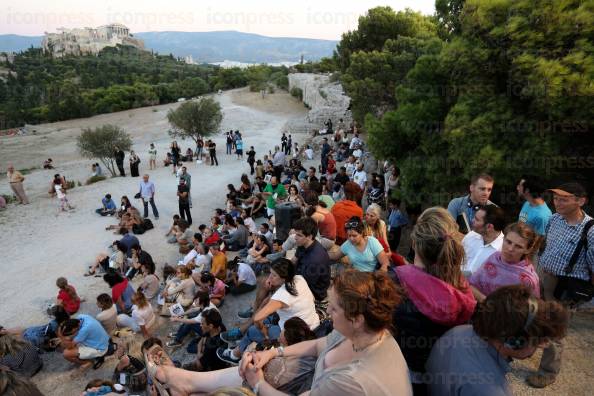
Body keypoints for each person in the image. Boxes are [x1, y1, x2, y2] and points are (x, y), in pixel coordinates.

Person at [425, 285, 569, 396]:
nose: (543, 345)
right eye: (539, 340)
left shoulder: (458, 332)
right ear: (514, 342)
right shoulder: (490, 390)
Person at [392, 207, 477, 394]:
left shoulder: (395, 283)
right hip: (443, 373)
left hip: (403, 373)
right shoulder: (462, 286)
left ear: (415, 243)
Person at [528, 182, 594, 388]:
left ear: (580, 201)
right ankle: (518, 350)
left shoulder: (591, 230)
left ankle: (547, 372)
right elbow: (546, 244)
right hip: (545, 278)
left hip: (567, 286)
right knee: (534, 315)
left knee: (555, 329)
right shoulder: (554, 219)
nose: (557, 202)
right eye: (556, 198)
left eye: (564, 199)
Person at [217, 259, 319, 365]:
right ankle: (241, 338)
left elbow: (257, 318)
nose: (269, 277)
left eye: (273, 275)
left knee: (253, 330)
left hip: (296, 335)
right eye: (270, 273)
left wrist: (264, 331)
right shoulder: (299, 278)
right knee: (266, 312)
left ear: (284, 278)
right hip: (311, 322)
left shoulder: (282, 295)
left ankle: (234, 355)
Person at [470, 222, 541, 302]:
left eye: (518, 246)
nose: (510, 249)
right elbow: (471, 286)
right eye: (508, 242)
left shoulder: (529, 279)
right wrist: (485, 301)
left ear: (527, 250)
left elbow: (531, 310)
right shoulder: (493, 258)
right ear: (503, 239)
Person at [292, 217, 331, 318]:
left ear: (309, 236)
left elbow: (303, 286)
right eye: (295, 233)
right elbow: (293, 260)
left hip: (314, 292)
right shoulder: (303, 244)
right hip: (301, 278)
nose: (295, 237)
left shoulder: (315, 259)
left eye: (299, 235)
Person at [462, 205, 506, 275]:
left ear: (489, 227)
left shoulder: (503, 250)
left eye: (477, 219)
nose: (472, 220)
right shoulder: (471, 236)